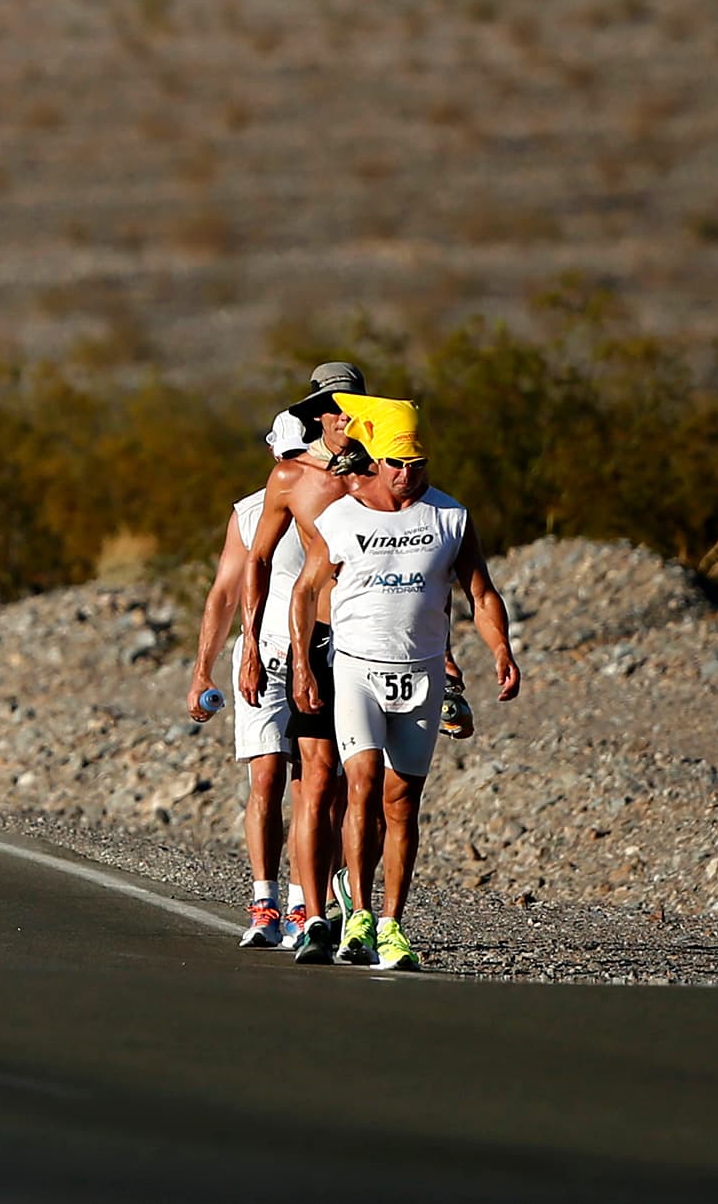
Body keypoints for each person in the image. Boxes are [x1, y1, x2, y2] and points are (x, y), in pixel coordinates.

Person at [289, 395, 521, 973]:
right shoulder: (340, 517)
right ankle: (359, 917)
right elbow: (303, 592)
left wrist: (501, 650)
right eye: (396, 464)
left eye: (417, 464)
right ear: (376, 458)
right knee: (362, 784)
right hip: (357, 668)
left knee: (403, 802)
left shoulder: (450, 517)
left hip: (420, 674)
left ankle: (393, 924)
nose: (407, 475)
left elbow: (480, 592)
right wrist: (300, 663)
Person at [208, 360, 366, 951]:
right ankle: (272, 899)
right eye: (329, 407)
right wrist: (236, 653)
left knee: (329, 784)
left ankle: (322, 906)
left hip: (349, 645)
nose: (341, 417)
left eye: (351, 406)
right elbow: (233, 583)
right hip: (282, 647)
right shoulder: (273, 494)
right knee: (273, 777)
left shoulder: (378, 481)